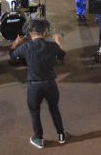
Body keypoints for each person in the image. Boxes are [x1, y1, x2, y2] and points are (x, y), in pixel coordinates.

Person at [9, 19, 66, 149]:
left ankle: (38, 138)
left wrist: (15, 43)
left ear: (30, 33)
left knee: (35, 112)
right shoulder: (52, 46)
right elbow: (61, 56)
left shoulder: (25, 47)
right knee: (55, 109)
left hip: (34, 87)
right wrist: (59, 43)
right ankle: (61, 135)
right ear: (44, 32)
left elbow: (12, 56)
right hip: (51, 85)